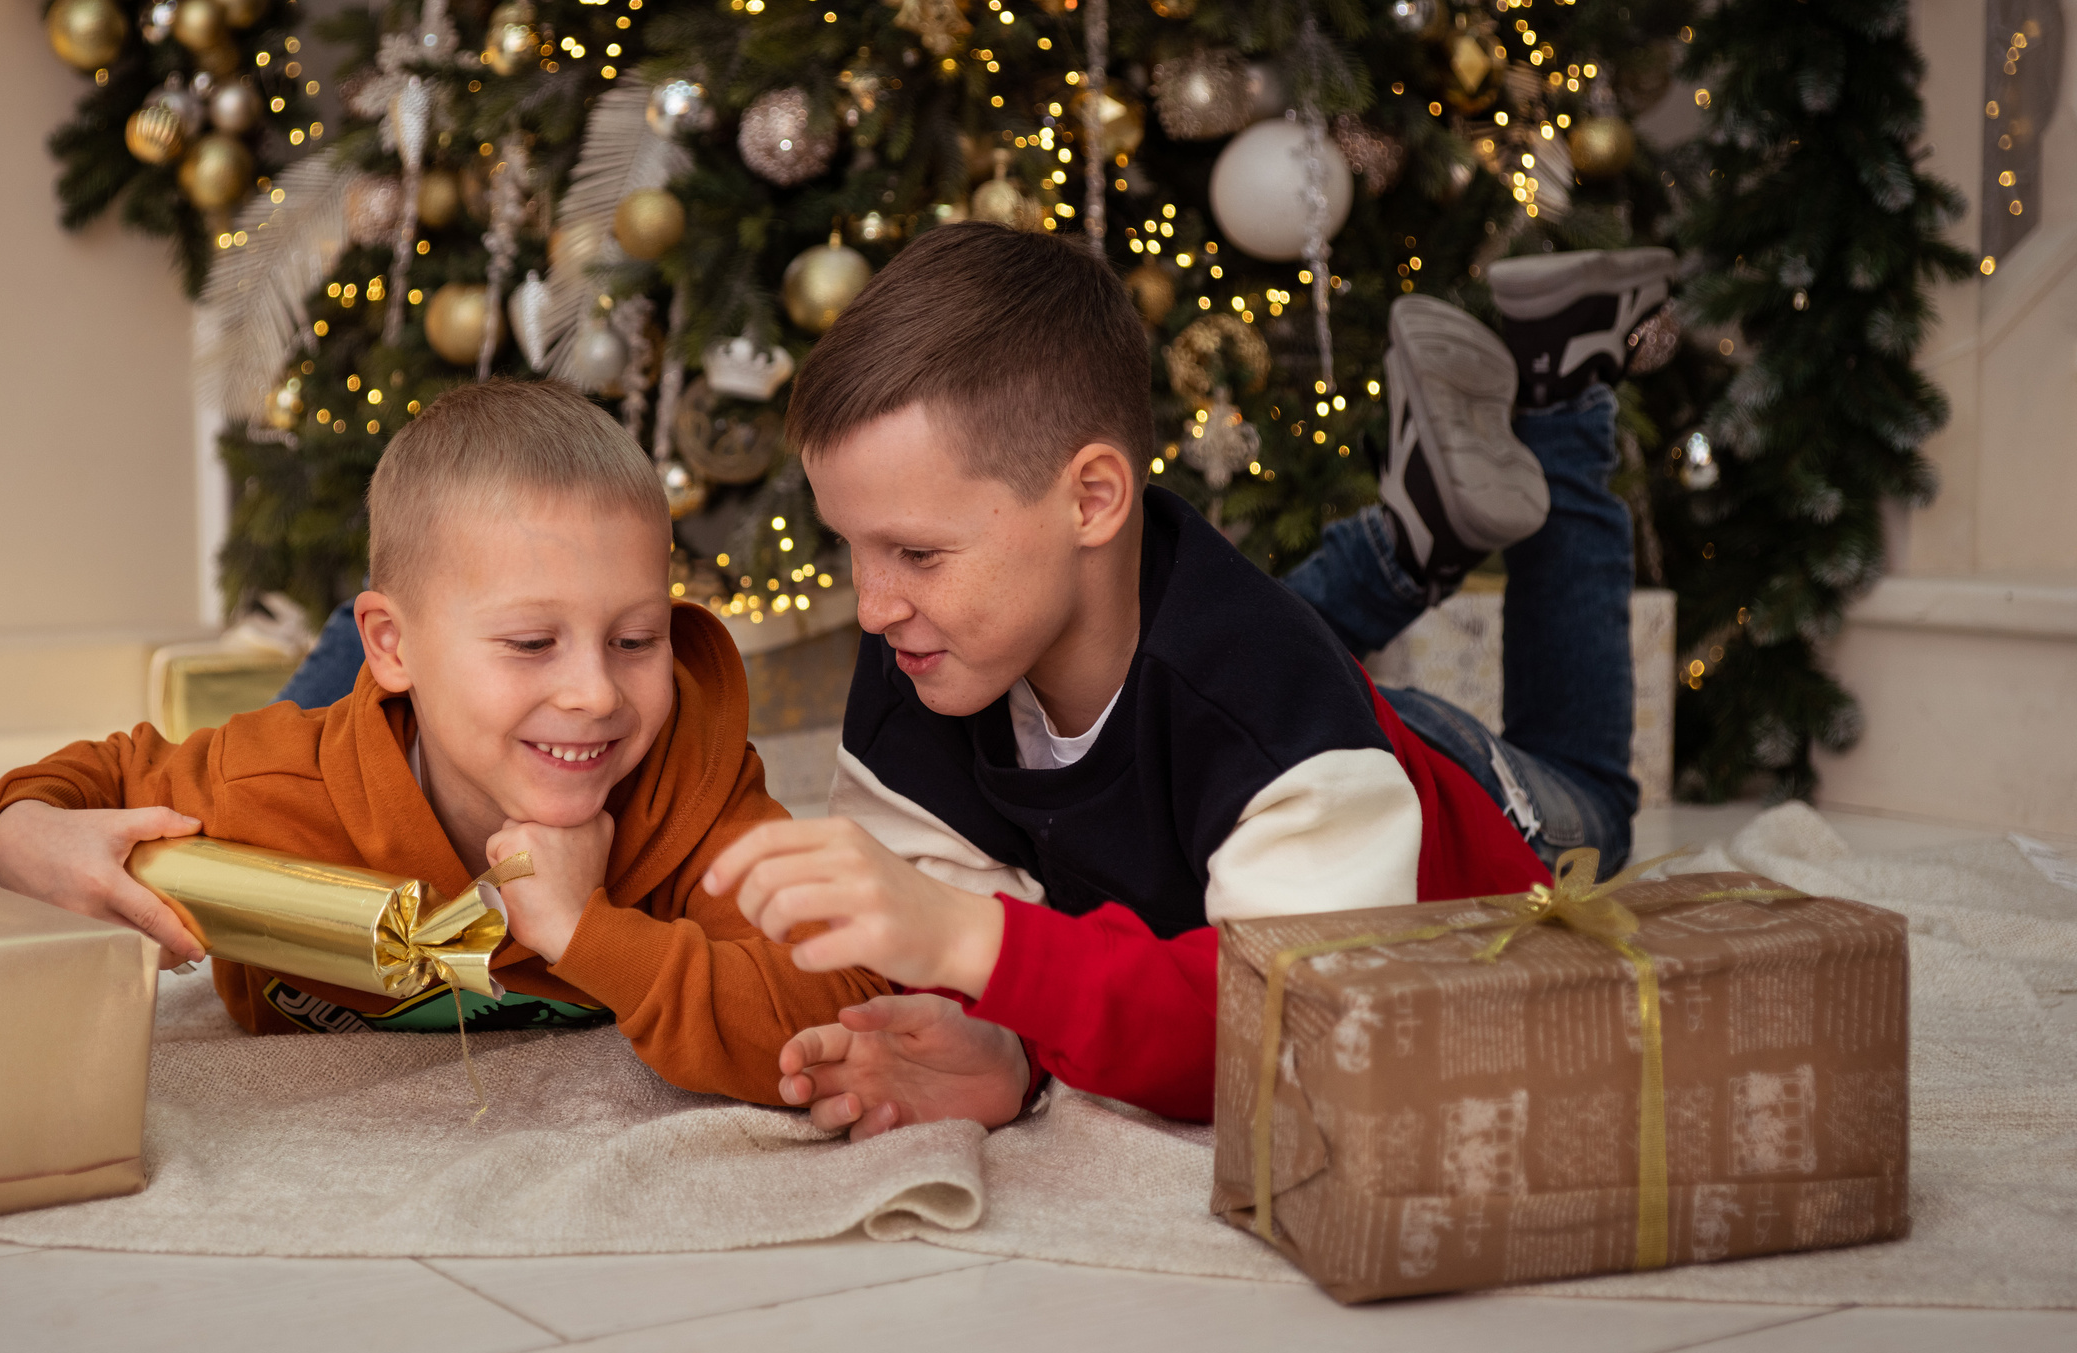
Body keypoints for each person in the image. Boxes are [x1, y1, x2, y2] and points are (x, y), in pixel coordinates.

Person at [702, 222, 1667, 1135]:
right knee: (1219, 660)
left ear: (1091, 498)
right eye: (852, 548)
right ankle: (1411, 542)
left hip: (1442, 795)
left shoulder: (1275, 726)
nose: (871, 607)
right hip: (1243, 718)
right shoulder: (929, 659)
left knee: (1595, 802)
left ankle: (1567, 384)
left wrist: (972, 941)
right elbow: (980, 960)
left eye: (915, 552)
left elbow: (1295, 1032)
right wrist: (1008, 1049)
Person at [0, 379, 885, 1104]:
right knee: (322, 703)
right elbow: (83, 780)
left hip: (428, 694)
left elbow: (842, 1014)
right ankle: (352, 647)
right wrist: (18, 830)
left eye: (635, 639)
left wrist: (586, 932)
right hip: (361, 726)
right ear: (398, 644)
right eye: (533, 642)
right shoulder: (270, 783)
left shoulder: (690, 787)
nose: (596, 692)